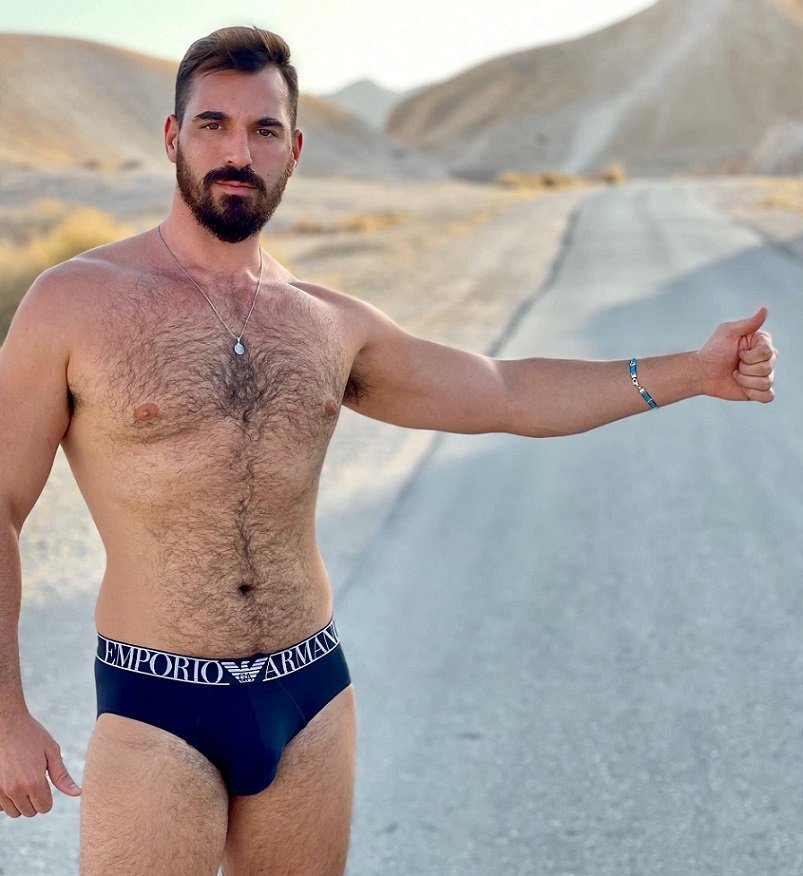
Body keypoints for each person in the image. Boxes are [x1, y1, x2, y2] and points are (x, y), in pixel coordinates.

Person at [0, 24, 776, 876]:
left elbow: (505, 391)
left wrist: (694, 372)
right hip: (158, 700)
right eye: (213, 124)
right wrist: (4, 711)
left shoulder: (327, 322)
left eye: (263, 130)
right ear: (171, 136)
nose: (238, 153)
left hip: (309, 695)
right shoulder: (74, 303)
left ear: (294, 151)